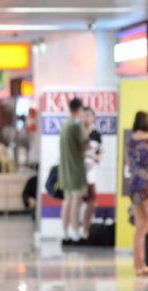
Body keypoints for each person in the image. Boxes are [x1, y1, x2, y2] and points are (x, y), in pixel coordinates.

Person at [127, 111, 148, 276]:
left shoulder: (130, 142)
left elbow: (130, 164)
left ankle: (139, 265)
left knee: (141, 227)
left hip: (133, 186)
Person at [58, 97, 88, 244]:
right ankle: (75, 231)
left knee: (67, 200)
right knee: (76, 201)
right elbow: (84, 147)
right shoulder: (76, 125)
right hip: (75, 170)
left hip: (65, 170)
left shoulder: (65, 124)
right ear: (79, 109)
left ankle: (65, 232)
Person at [81, 107, 102, 237]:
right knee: (75, 202)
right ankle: (75, 230)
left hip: (90, 173)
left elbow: (99, 155)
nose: (87, 117)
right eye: (85, 115)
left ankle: (85, 228)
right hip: (77, 172)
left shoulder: (96, 135)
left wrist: (91, 156)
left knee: (92, 202)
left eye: (89, 115)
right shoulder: (78, 132)